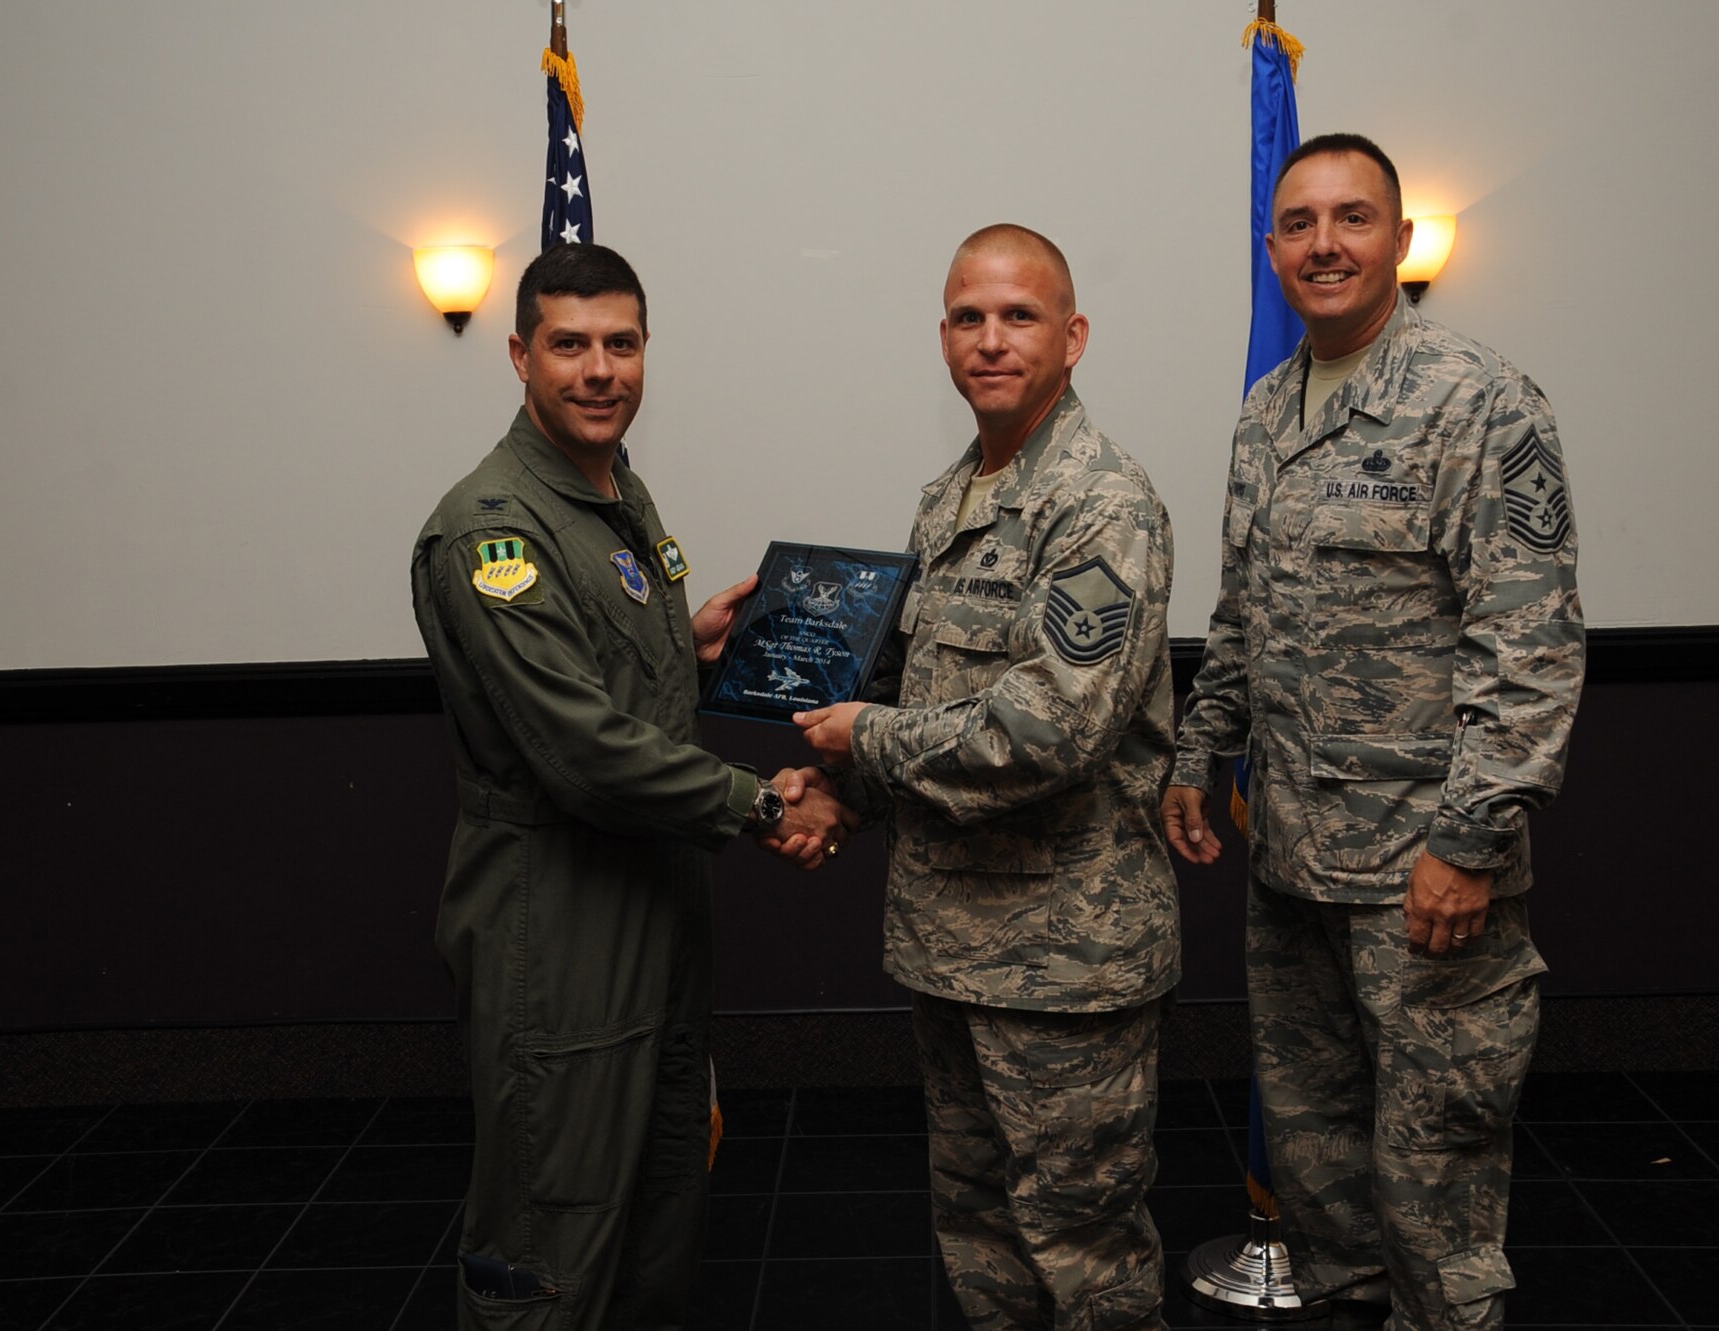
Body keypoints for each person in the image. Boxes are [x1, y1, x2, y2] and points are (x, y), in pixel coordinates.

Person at [1166, 134, 1584, 1330]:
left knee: (1433, 1185)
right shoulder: (1267, 411)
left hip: (1420, 876)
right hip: (1291, 865)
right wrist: (1198, 748)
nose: (1324, 244)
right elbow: (1242, 612)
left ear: (1398, 241)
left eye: (1351, 218)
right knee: (1322, 1178)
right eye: (1298, 223)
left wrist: (1467, 840)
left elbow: (1529, 643)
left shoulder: (1476, 399)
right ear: (1271, 251)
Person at [410, 242, 848, 1331]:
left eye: (621, 343)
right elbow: (580, 748)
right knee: (551, 1237)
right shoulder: (493, 528)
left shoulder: (614, 490)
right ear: (520, 355)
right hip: (556, 922)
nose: (599, 370)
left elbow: (603, 676)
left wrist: (684, 649)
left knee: (659, 1214)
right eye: (569, 345)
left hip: (655, 904)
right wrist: (761, 804)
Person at [791, 224, 1179, 1329]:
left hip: (1064, 961)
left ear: (1074, 336)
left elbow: (1051, 728)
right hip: (950, 942)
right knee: (980, 1236)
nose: (991, 340)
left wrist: (865, 743)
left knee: (1083, 1249)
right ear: (943, 337)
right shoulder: (950, 497)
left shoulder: (1100, 503)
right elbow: (922, 689)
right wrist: (841, 793)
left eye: (1019, 316)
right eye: (969, 317)